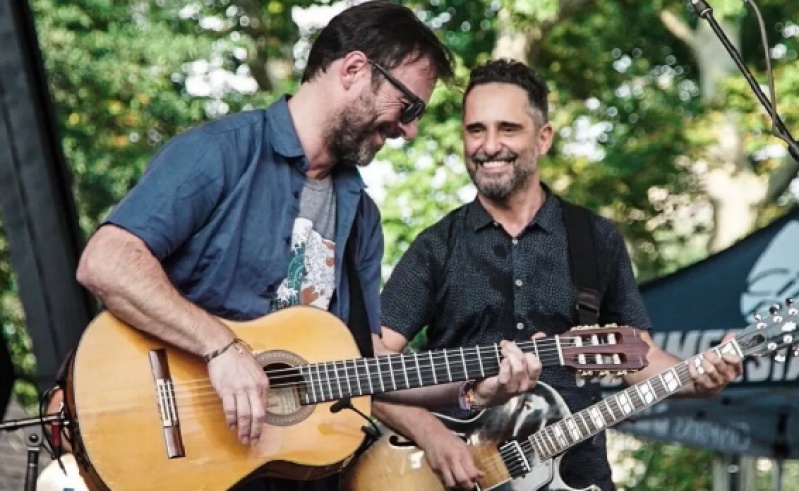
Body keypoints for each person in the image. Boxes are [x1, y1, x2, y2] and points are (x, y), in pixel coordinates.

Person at [74, 4, 542, 491]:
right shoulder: (220, 152)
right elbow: (106, 261)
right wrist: (221, 347)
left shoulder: (362, 216)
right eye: (408, 108)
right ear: (354, 69)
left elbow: (365, 365)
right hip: (176, 452)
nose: (409, 130)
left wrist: (474, 388)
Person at [373, 58, 744, 491]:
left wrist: (696, 377)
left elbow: (637, 356)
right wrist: (431, 435)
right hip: (465, 478)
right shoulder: (436, 245)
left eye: (508, 129)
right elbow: (369, 368)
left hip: (576, 476)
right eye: (476, 130)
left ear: (544, 137)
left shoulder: (596, 238)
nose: (489, 145)